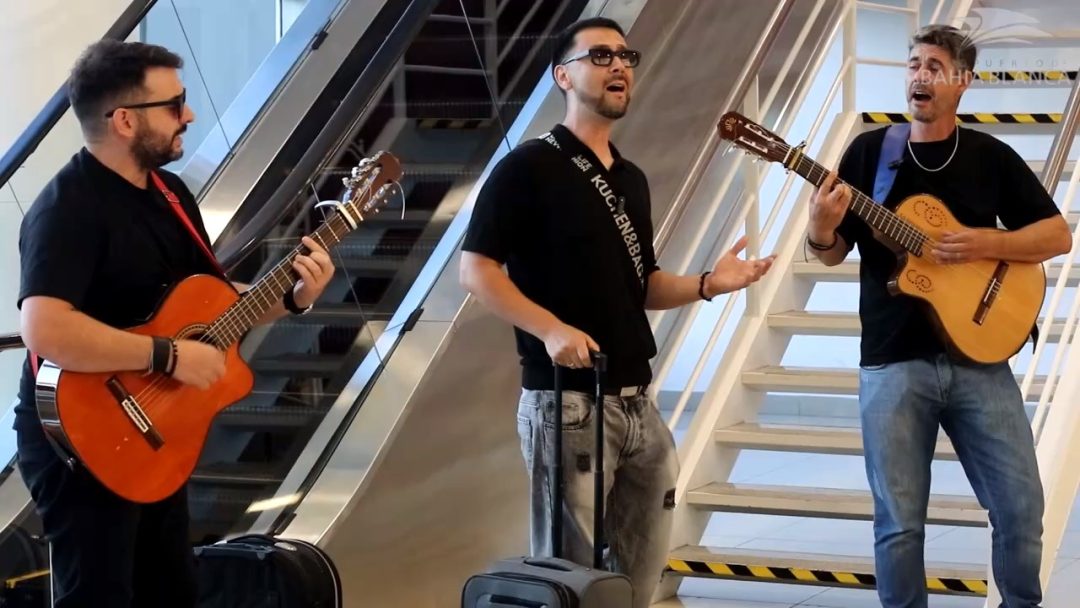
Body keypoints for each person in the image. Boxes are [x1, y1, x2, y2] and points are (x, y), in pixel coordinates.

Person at [459, 17, 775, 607]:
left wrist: (710, 283)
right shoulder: (529, 166)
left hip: (638, 402)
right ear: (562, 75)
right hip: (566, 404)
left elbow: (645, 285)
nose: (620, 66)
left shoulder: (631, 179)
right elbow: (475, 270)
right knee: (568, 579)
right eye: (600, 56)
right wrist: (549, 329)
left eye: (626, 55)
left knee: (640, 576)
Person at [15, 40, 335, 607]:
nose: (189, 114)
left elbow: (206, 306)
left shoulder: (170, 193)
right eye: (174, 104)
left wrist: (293, 296)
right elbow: (45, 329)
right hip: (82, 435)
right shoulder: (67, 208)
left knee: (170, 592)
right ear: (123, 121)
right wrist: (167, 356)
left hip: (152, 435)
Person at [807, 24, 1070, 608]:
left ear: (962, 82)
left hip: (979, 360)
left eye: (933, 66)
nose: (919, 75)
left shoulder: (989, 157)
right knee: (899, 524)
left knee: (1021, 508)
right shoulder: (871, 154)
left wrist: (984, 244)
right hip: (892, 362)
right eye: (913, 64)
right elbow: (829, 253)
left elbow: (1057, 236)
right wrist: (821, 226)